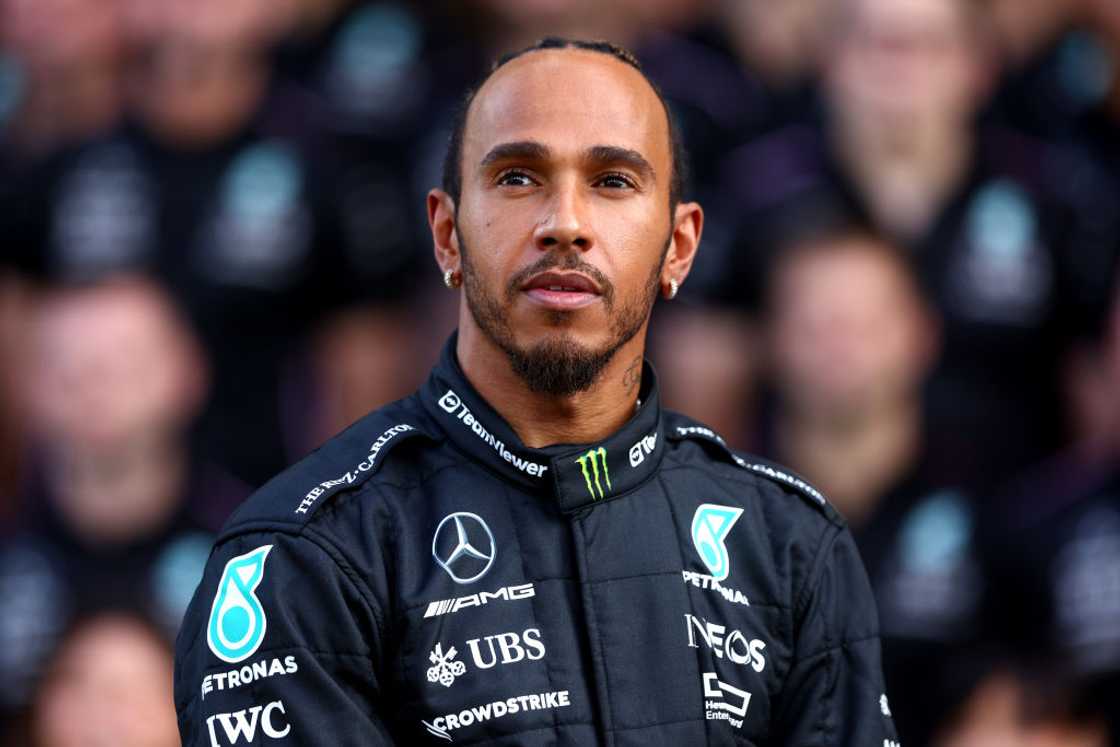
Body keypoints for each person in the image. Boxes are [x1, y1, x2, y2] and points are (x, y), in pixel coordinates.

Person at [173, 38, 898, 745]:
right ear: (447, 235)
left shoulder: (792, 547)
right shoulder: (303, 557)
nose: (566, 225)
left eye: (613, 181)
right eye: (518, 177)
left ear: (679, 248)